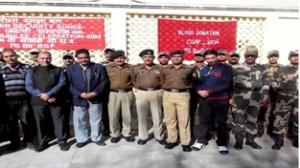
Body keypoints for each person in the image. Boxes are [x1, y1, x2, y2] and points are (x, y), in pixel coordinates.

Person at [25, 51, 69, 152]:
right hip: (37, 102)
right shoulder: (32, 71)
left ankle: (62, 142)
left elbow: (62, 83)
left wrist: (49, 94)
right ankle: (43, 142)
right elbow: (29, 86)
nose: (45, 60)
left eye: (48, 58)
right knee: (40, 123)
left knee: (59, 122)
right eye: (42, 58)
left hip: (55, 100)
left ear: (51, 58)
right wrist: (42, 95)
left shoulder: (58, 70)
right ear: (38, 59)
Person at [192, 49, 233, 154]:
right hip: (204, 100)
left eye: (212, 58)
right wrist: (199, 91)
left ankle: (222, 143)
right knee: (203, 121)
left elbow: (226, 84)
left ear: (217, 57)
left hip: (220, 100)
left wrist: (209, 91)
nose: (210, 60)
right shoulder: (203, 70)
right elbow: (198, 83)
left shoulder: (226, 68)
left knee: (221, 122)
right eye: (208, 58)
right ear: (205, 59)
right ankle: (201, 140)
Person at [66, 49, 108, 148]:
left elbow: (104, 81)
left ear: (89, 57)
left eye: (85, 57)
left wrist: (95, 93)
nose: (83, 60)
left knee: (96, 119)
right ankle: (81, 139)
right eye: (81, 58)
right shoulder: (71, 68)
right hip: (79, 98)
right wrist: (80, 94)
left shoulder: (98, 67)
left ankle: (96, 138)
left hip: (95, 98)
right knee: (80, 120)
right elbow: (69, 84)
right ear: (76, 59)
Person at [231, 45, 269, 150]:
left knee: (253, 119)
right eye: (248, 55)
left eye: (252, 55)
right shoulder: (236, 68)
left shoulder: (261, 68)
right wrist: (231, 97)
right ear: (244, 56)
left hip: (256, 97)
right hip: (240, 96)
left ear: (256, 56)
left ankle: (250, 140)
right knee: (239, 118)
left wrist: (265, 96)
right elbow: (230, 84)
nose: (250, 57)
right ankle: (239, 141)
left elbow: (266, 82)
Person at [0, 49, 36, 151]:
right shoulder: (1, 69)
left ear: (17, 55)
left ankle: (28, 141)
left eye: (12, 56)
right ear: (3, 58)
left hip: (24, 99)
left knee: (26, 121)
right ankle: (15, 143)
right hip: (8, 101)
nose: (10, 58)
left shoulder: (26, 68)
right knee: (12, 123)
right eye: (6, 57)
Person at [160, 49, 193, 152]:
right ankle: (172, 140)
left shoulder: (188, 69)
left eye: (179, 56)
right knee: (170, 119)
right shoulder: (165, 69)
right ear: (171, 58)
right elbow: (162, 80)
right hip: (168, 94)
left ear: (182, 57)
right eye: (174, 56)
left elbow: (192, 82)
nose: (176, 58)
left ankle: (185, 142)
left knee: (184, 120)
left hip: (183, 94)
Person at [132, 49, 165, 145]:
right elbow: (133, 80)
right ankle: (143, 136)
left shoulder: (159, 68)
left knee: (157, 115)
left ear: (153, 58)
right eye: (145, 57)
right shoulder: (136, 68)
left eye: (150, 57)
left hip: (156, 92)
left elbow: (163, 80)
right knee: (142, 116)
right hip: (142, 92)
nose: (148, 59)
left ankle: (159, 136)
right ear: (142, 58)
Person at [106, 50, 135, 143]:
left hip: (127, 93)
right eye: (117, 58)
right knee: (113, 115)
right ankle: (114, 134)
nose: (119, 59)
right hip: (113, 94)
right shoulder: (107, 68)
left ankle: (127, 133)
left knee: (127, 115)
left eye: (121, 58)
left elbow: (134, 80)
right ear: (114, 59)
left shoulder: (130, 68)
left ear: (124, 58)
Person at [271, 50, 298, 150]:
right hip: (284, 98)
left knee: (297, 119)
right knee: (280, 119)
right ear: (289, 58)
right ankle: (279, 140)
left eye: (298, 56)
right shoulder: (282, 69)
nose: (296, 58)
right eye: (293, 56)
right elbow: (273, 82)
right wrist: (281, 88)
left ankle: (296, 139)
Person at [257, 50, 283, 137]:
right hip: (265, 91)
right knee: (262, 110)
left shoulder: (282, 67)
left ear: (278, 57)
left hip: (276, 92)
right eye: (271, 56)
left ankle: (271, 129)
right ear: (268, 57)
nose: (273, 58)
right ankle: (260, 126)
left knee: (274, 111)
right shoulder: (262, 67)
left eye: (275, 56)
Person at [190, 49, 206, 137]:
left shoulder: (208, 68)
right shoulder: (189, 68)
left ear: (204, 57)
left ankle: (204, 133)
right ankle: (190, 132)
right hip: (192, 93)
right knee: (190, 113)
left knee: (204, 114)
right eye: (197, 55)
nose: (198, 57)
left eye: (200, 55)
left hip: (205, 94)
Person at [101, 47, 115, 136]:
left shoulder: (119, 63)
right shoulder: (100, 64)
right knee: (105, 111)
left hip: (115, 90)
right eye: (107, 53)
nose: (109, 54)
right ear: (104, 55)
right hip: (104, 91)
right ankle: (106, 128)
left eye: (111, 53)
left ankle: (118, 128)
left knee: (117, 111)